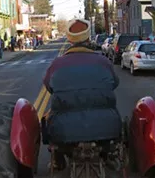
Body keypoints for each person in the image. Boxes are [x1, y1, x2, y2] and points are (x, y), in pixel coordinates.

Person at [42, 18, 122, 169]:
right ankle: (107, 157)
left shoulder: (57, 64)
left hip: (63, 130)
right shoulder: (103, 62)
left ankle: (57, 161)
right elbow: (115, 83)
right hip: (107, 127)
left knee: (46, 120)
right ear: (87, 38)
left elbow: (49, 86)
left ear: (70, 39)